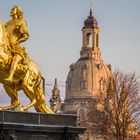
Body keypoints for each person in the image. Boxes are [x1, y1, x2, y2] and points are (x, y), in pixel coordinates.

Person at [5, 5, 29, 83]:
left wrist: (16, 42)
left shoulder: (21, 22)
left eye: (13, 9)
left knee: (16, 59)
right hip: (6, 45)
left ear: (18, 11)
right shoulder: (7, 23)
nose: (11, 11)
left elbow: (26, 36)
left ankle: (10, 76)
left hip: (15, 46)